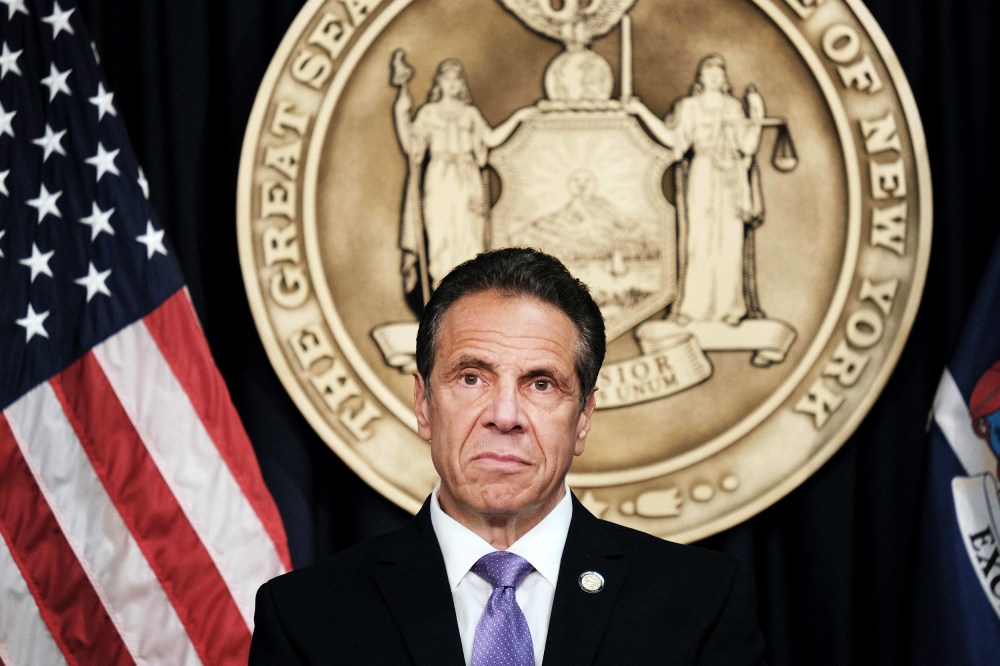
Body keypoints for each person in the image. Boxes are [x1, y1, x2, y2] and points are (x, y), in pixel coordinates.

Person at [249, 248, 766, 664]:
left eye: (541, 384)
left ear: (583, 416)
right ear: (424, 403)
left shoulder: (700, 605)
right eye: (471, 377)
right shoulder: (307, 618)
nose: (504, 414)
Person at [627, 54, 766, 325]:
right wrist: (641, 111)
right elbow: (674, 140)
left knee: (730, 240)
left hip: (730, 178)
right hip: (703, 172)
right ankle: (694, 309)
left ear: (724, 78)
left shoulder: (733, 107)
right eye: (708, 71)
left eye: (718, 72)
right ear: (700, 78)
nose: (714, 76)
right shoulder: (690, 107)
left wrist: (757, 116)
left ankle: (730, 308)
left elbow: (747, 146)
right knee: (699, 241)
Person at [392, 56, 535, 297]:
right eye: (447, 79)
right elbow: (411, 148)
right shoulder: (428, 113)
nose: (452, 84)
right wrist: (401, 113)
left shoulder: (470, 114)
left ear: (462, 85)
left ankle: (466, 299)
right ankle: (442, 297)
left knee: (469, 239)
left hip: (468, 180)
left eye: (456, 80)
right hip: (440, 179)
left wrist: (518, 117)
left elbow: (489, 139)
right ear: (439, 83)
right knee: (440, 237)